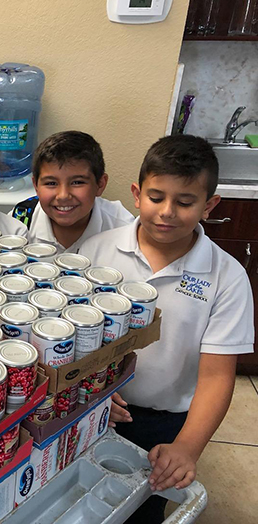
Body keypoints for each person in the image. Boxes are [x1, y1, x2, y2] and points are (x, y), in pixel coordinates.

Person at [80, 135, 254, 524]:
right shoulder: (96, 251)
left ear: (209, 205)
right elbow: (78, 343)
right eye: (156, 197)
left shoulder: (227, 277)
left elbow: (216, 376)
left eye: (186, 202)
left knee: (140, 509)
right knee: (80, 498)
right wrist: (87, 396)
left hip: (165, 421)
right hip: (96, 405)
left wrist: (187, 446)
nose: (167, 212)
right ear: (137, 194)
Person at [12, 131, 133, 252]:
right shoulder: (19, 219)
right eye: (51, 183)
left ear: (100, 184)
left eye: (77, 182)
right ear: (36, 186)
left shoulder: (124, 229)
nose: (63, 196)